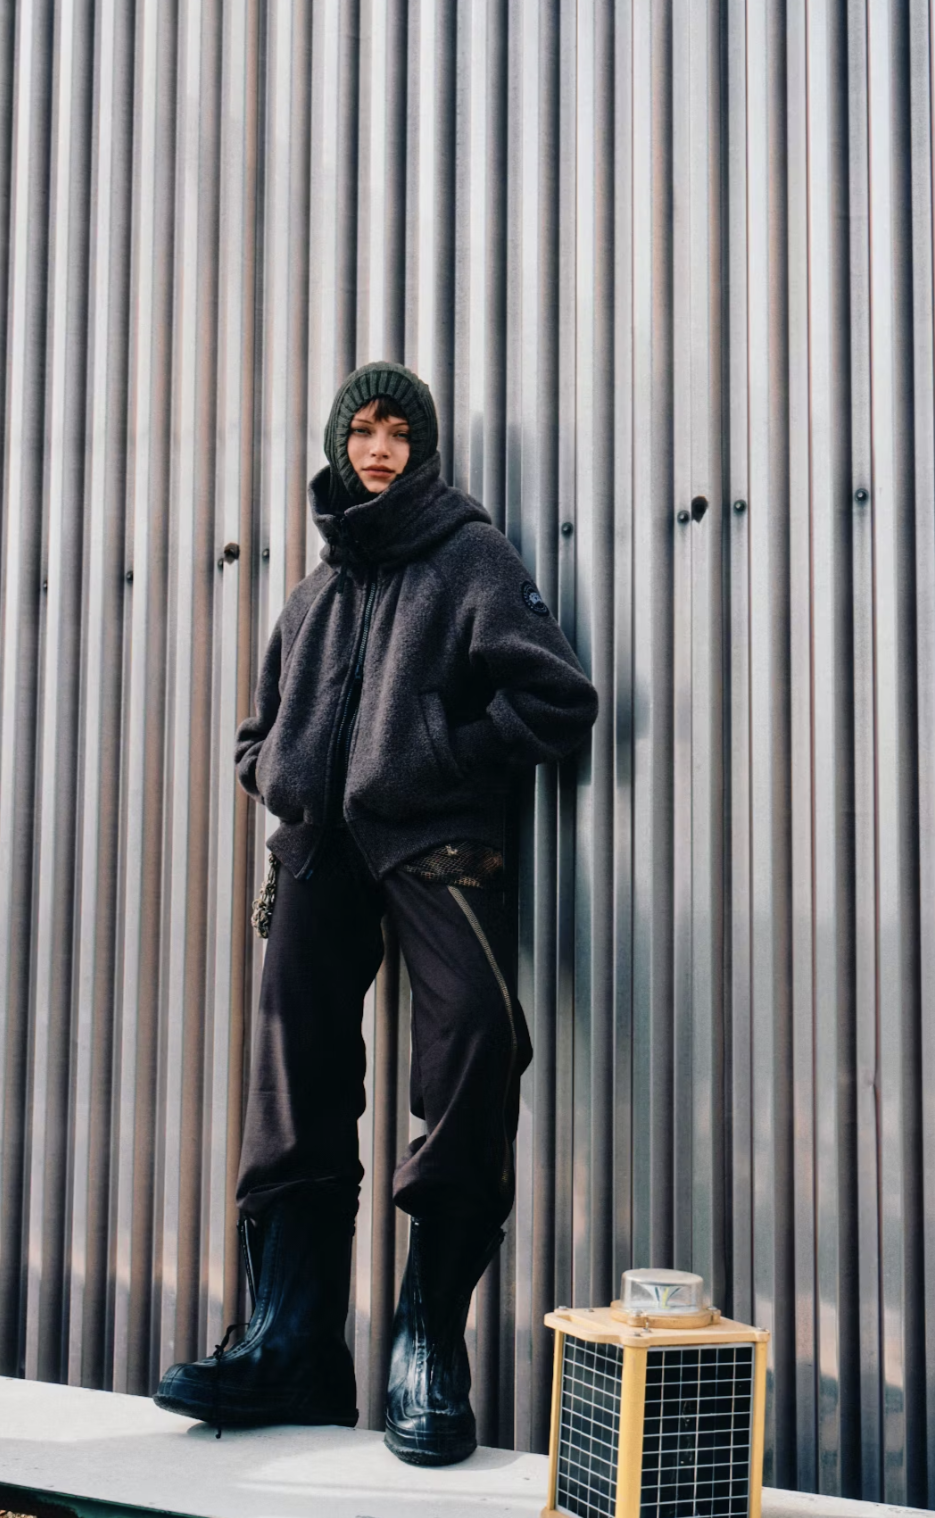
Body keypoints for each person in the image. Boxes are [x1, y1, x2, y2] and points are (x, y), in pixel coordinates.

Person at [154, 361, 598, 1465]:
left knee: (477, 1042)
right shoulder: (316, 592)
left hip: (435, 843)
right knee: (292, 1076)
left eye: (399, 431)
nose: (379, 447)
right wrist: (284, 779)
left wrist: (433, 758)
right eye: (363, 430)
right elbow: (259, 733)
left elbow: (553, 694)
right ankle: (291, 1342)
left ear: (423, 446)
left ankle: (425, 1342)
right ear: (340, 444)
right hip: (316, 856)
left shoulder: (470, 557)